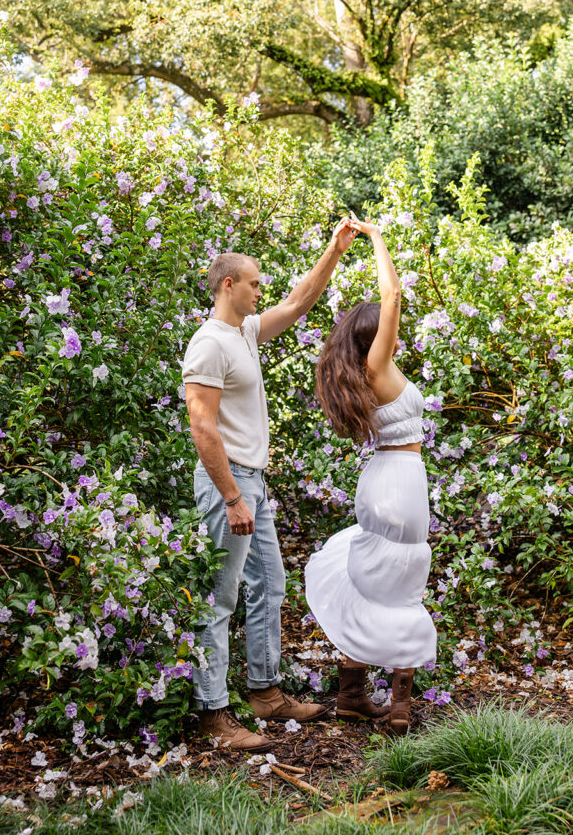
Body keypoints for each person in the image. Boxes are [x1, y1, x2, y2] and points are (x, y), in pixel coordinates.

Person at [183, 220, 356, 750]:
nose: (261, 291)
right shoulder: (209, 344)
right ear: (228, 285)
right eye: (254, 283)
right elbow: (201, 424)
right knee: (220, 597)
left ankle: (265, 692)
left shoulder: (244, 333)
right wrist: (232, 495)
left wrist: (334, 250)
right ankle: (213, 715)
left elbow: (300, 302)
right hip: (228, 484)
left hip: (252, 483)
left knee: (270, 584)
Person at [306, 211, 437, 735]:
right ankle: (399, 707)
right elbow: (392, 297)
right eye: (385, 330)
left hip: (379, 477)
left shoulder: (359, 375)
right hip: (401, 479)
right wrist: (377, 238)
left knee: (370, 578)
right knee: (402, 583)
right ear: (373, 337)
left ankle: (352, 695)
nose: (395, 331)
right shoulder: (378, 368)